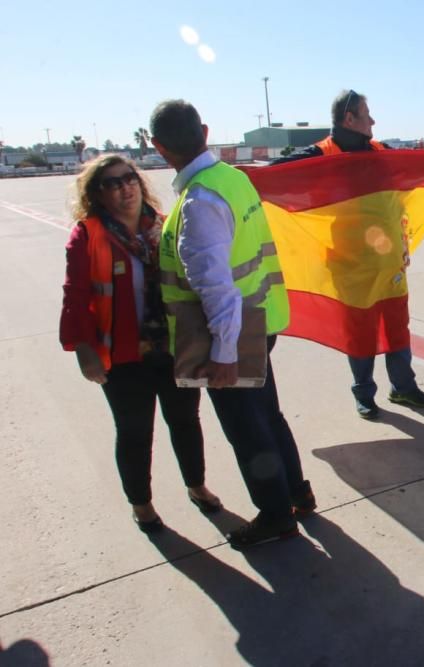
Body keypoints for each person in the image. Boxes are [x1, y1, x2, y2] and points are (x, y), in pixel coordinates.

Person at [150, 99, 316, 550]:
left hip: (231, 332)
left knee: (248, 428)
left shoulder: (200, 200)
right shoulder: (232, 179)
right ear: (205, 132)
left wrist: (223, 356)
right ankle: (297, 492)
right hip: (258, 320)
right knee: (268, 415)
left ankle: (277, 515)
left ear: (158, 147)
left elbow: (216, 288)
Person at [60, 155, 221, 533]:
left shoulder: (164, 226)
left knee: (185, 421)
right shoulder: (88, 235)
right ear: (97, 193)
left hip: (174, 350)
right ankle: (142, 504)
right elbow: (75, 296)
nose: (124, 188)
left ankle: (196, 486)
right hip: (123, 356)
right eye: (112, 183)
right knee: (134, 432)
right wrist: (84, 350)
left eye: (128, 178)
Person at [272, 89, 424, 420]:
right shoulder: (321, 154)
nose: (373, 120)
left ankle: (403, 388)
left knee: (397, 330)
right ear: (350, 119)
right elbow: (275, 174)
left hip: (390, 265)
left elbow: (416, 168)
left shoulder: (381, 152)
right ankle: (363, 393)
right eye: (367, 113)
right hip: (351, 269)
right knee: (360, 335)